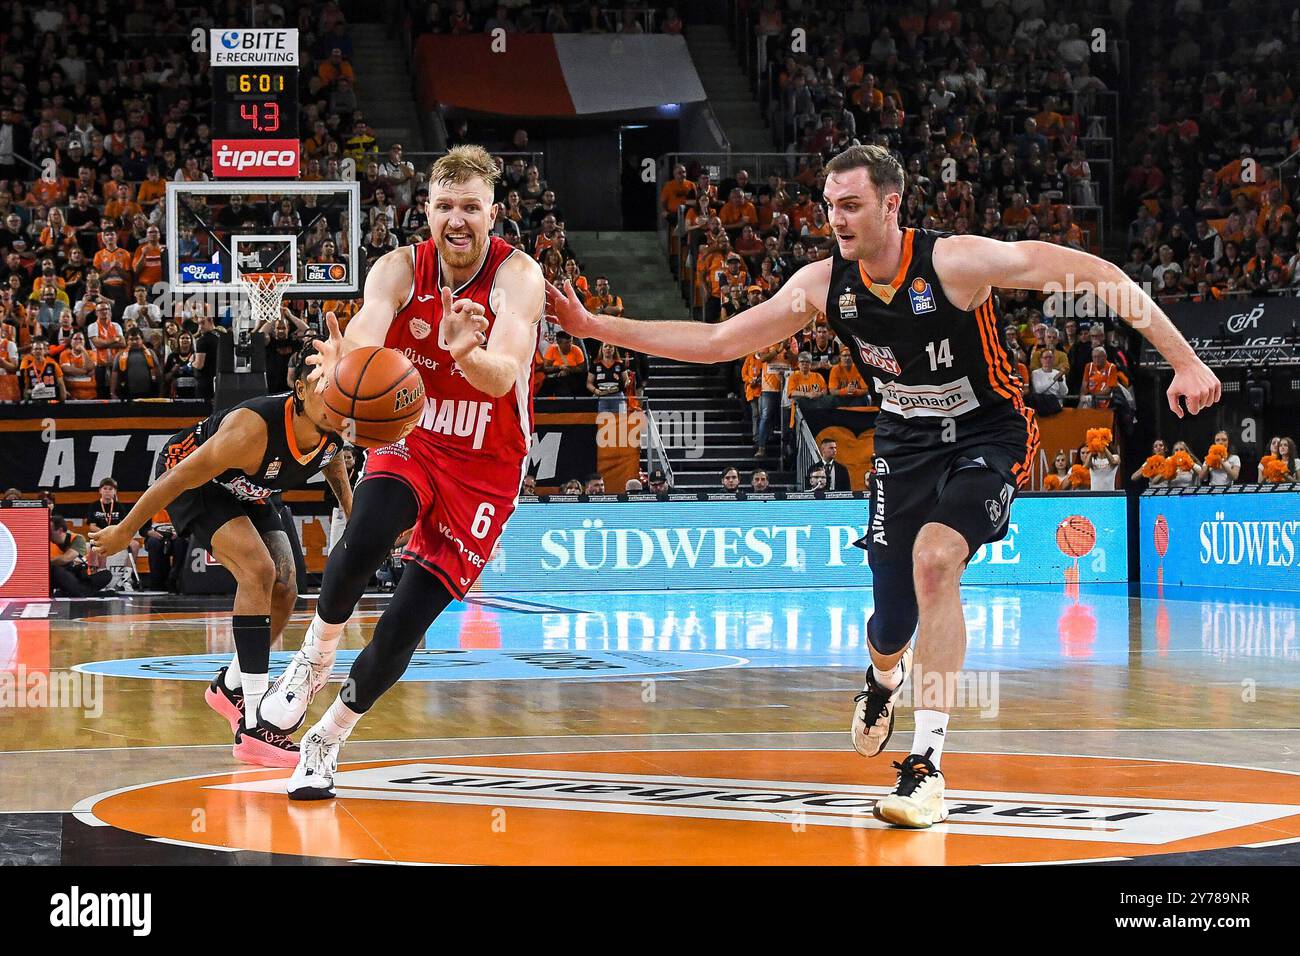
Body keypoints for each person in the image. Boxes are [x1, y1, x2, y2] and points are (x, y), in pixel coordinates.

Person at [546, 143, 1220, 828]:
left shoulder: (955, 262)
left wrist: (1185, 361)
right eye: (830, 205)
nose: (836, 218)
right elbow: (721, 341)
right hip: (903, 445)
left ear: (891, 204)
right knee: (890, 627)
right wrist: (597, 326)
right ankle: (882, 679)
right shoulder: (821, 285)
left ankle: (926, 767)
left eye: (851, 205)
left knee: (935, 559)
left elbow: (1095, 273)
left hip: (989, 432)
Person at [259, 146, 545, 800]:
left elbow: (503, 374)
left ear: (492, 213)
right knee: (363, 536)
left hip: (485, 469)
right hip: (413, 439)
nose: (458, 220)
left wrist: (463, 348)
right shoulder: (397, 268)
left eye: (471, 207)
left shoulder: (517, 278)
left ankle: (325, 740)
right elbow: (366, 329)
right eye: (445, 206)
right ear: (427, 211)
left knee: (402, 628)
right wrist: (344, 361)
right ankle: (314, 657)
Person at [89, 344, 352, 769]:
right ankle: (252, 725)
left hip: (250, 487)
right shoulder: (251, 430)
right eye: (326, 386)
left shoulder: (336, 429)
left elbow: (335, 466)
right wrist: (125, 530)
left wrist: (359, 526)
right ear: (301, 390)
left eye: (340, 387)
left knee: (287, 586)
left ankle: (228, 687)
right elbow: (177, 477)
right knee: (258, 569)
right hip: (196, 480)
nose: (336, 397)